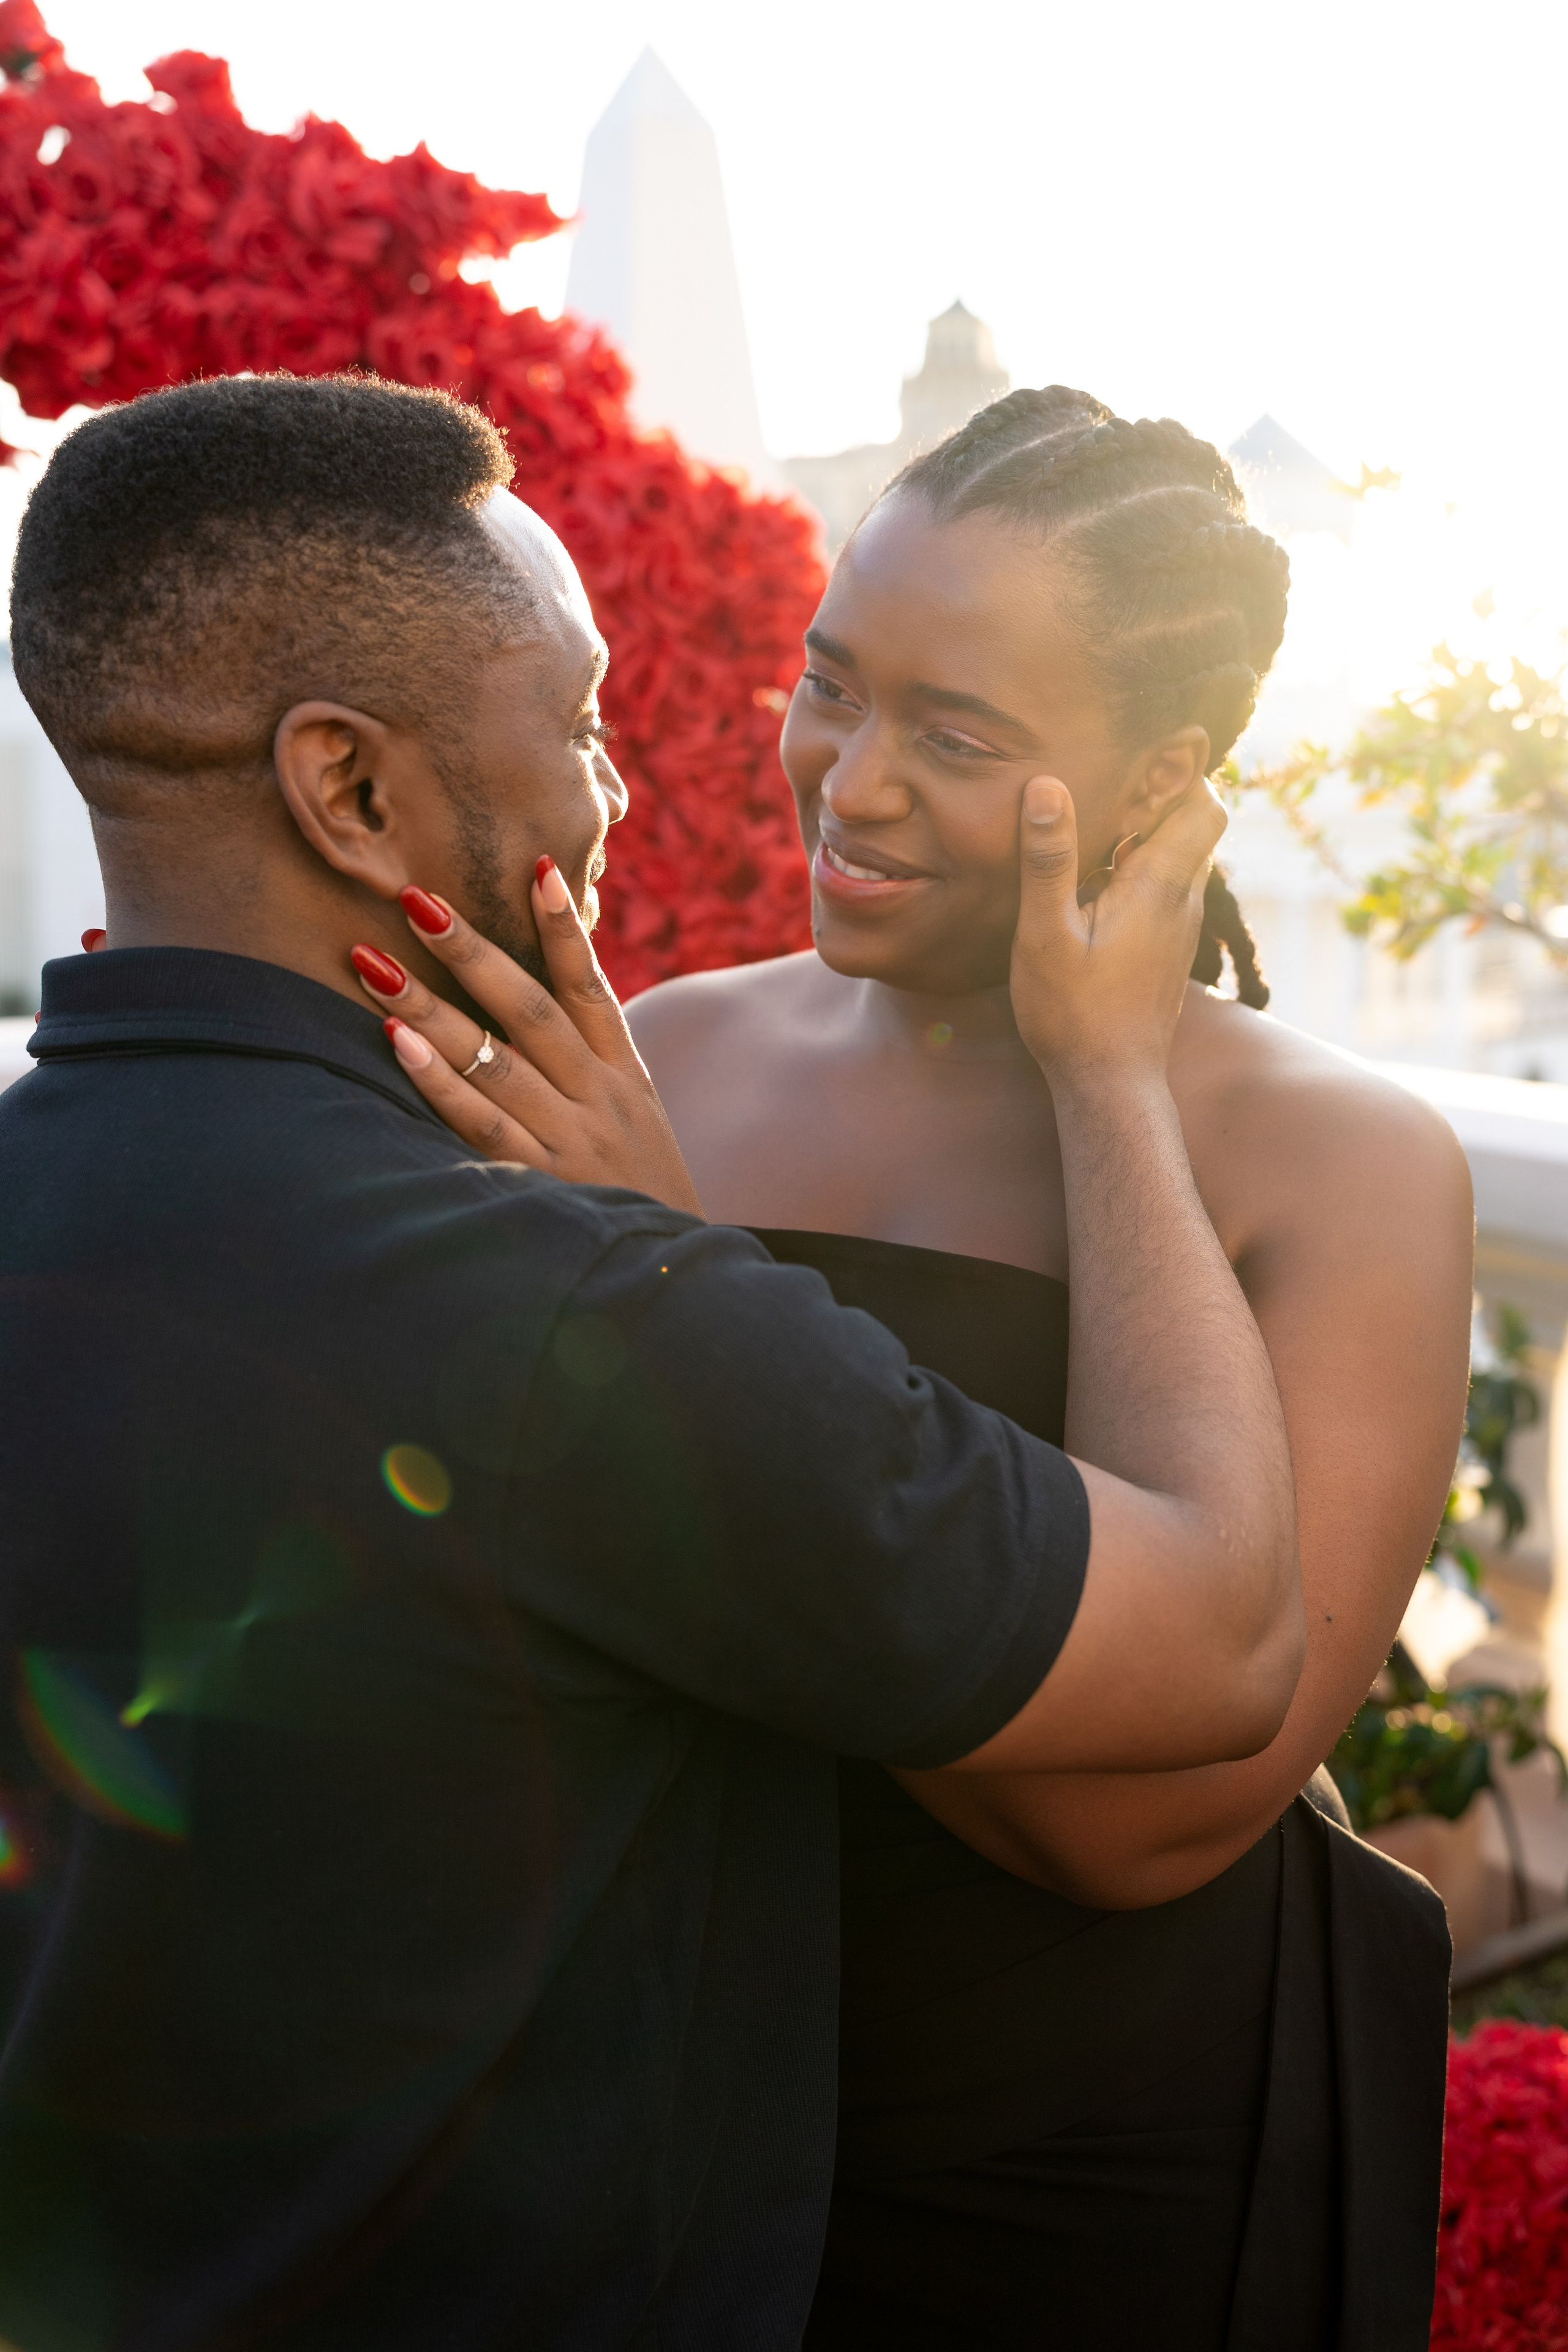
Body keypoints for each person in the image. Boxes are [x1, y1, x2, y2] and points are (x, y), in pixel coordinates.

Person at [0, 375, 1303, 2351]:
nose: (621, 796)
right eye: (586, 727)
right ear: (351, 792)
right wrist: (1113, 1070)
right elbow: (1215, 1640)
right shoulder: (558, 1315)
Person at [382, 390, 1472, 2350]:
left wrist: (1107, 1077)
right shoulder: (665, 1064)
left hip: (1098, 2167)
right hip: (656, 2106)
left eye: (957, 738)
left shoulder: (1346, 1163)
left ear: (1163, 785)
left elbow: (1150, 1821)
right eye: (834, 683)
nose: (852, 780)